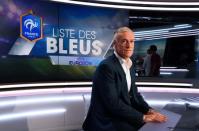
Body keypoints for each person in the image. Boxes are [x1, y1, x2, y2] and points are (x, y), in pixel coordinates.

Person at [82, 27, 167, 131]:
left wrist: (149, 110)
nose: (129, 45)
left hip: (119, 115)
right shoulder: (106, 67)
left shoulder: (130, 64)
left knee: (154, 125)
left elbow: (134, 95)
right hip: (106, 120)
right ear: (114, 45)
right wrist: (143, 117)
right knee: (144, 126)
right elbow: (113, 104)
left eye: (131, 41)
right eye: (124, 41)